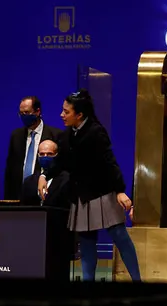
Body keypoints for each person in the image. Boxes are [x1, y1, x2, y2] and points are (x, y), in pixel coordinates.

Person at [38, 90, 141, 282]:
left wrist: (120, 191)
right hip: (80, 196)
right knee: (86, 244)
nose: (62, 115)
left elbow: (109, 162)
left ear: (80, 114)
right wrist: (44, 176)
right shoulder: (67, 135)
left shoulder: (96, 132)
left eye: (66, 112)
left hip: (102, 194)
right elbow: (60, 162)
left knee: (120, 237)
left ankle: (137, 281)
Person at [4, 96, 63, 200]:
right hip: (19, 197)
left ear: (37, 112)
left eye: (26, 112)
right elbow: (10, 171)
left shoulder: (56, 135)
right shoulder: (16, 136)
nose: (23, 116)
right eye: (21, 113)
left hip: (44, 195)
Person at [20, 140, 71, 208]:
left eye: (49, 154)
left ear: (56, 155)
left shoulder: (66, 179)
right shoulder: (29, 181)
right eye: (42, 154)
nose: (45, 156)